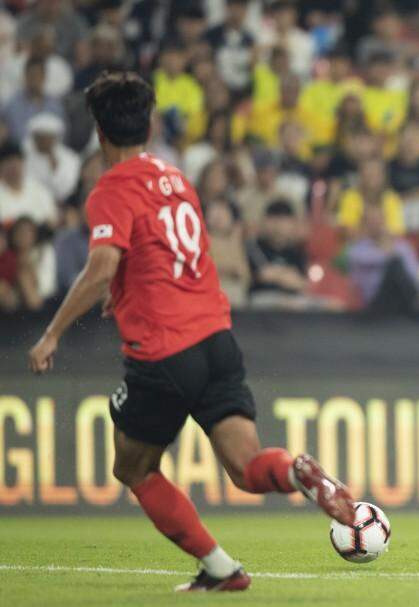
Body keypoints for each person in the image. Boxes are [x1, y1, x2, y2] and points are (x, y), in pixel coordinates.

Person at [27, 71, 355, 592]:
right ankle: (297, 471)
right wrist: (125, 295)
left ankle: (220, 565)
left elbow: (102, 267)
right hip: (217, 339)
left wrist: (52, 333)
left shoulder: (110, 189)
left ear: (98, 132)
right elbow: (177, 258)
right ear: (151, 123)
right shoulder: (177, 179)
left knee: (133, 469)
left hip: (163, 351)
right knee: (248, 469)